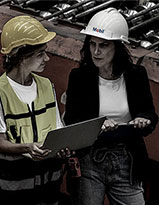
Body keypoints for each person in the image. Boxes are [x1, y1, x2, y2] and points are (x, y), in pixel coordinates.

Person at [64, 8, 158, 205]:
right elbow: (72, 120)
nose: (96, 52)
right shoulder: (79, 78)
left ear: (117, 47)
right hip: (90, 159)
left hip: (127, 160)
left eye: (103, 46)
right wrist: (99, 124)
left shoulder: (135, 75)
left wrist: (143, 120)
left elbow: (150, 114)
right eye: (92, 44)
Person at [0, 16, 70, 205]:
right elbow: (0, 143)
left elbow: (57, 129)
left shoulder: (46, 86)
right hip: (11, 191)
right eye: (40, 54)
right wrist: (27, 147)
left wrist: (63, 147)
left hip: (46, 188)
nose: (46, 58)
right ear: (21, 57)